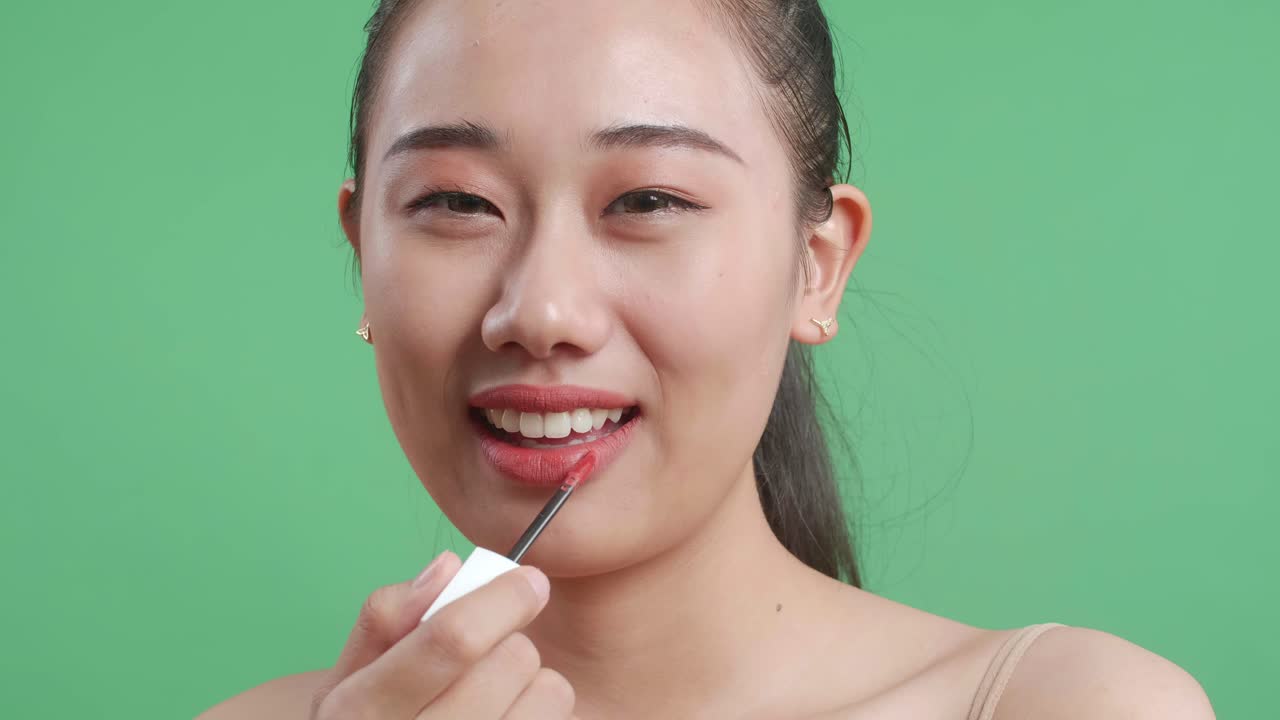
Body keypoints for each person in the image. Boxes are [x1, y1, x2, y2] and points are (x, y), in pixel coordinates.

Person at [200, 1, 1215, 717]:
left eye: (647, 201)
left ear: (814, 268)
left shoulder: (1061, 707)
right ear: (361, 254)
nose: (541, 310)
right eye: (456, 203)